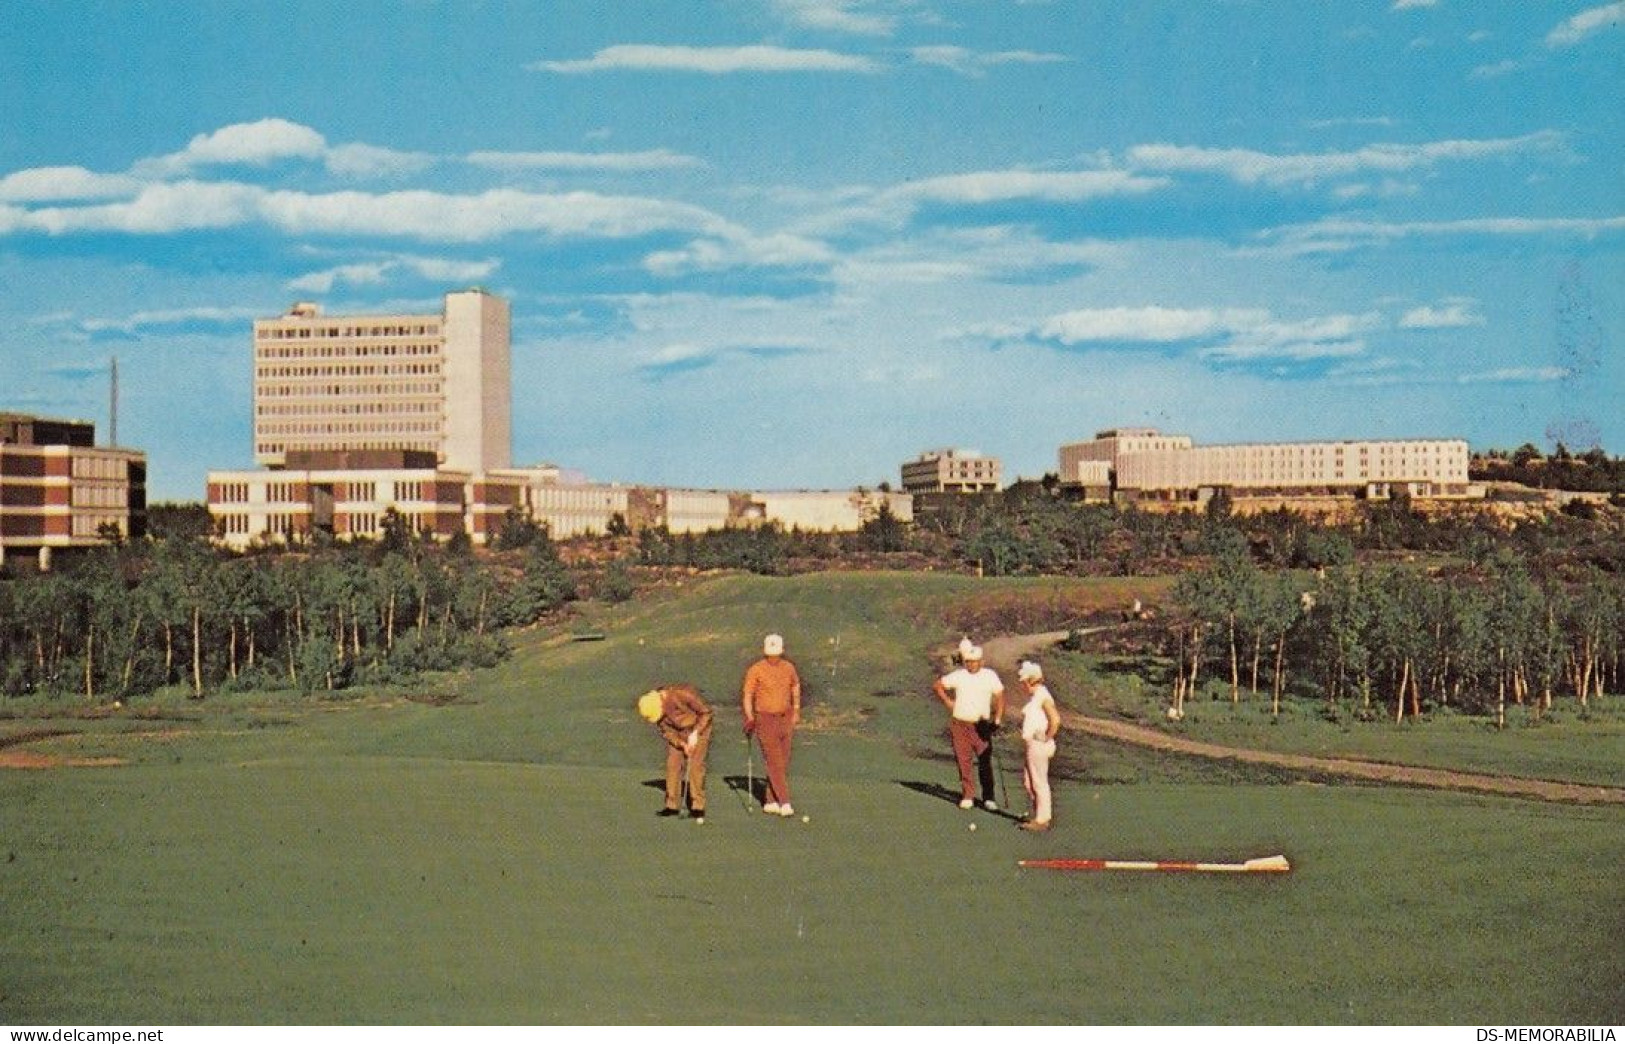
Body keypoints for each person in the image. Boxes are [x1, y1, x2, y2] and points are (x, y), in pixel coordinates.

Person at [932, 643, 1005, 810]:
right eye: (969, 661)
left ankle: (989, 797)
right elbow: (937, 685)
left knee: (984, 760)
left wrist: (998, 719)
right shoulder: (959, 676)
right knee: (963, 761)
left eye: (975, 661)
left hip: (981, 725)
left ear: (982, 661)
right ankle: (968, 795)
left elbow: (1000, 696)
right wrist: (948, 701)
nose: (971, 664)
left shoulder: (989, 676)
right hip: (960, 724)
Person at [741, 633, 802, 817]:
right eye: (771, 653)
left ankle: (770, 800)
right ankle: (784, 802)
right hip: (764, 719)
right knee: (774, 761)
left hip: (785, 717)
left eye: (776, 653)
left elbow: (795, 686)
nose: (773, 656)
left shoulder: (789, 667)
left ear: (782, 651)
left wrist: (797, 709)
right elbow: (748, 695)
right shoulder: (756, 670)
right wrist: (750, 717)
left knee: (781, 761)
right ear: (766, 652)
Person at [637, 684, 713, 823]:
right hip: (678, 733)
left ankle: (698, 806)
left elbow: (706, 713)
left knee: (695, 766)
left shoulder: (682, 694)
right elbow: (667, 732)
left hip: (699, 728)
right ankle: (671, 805)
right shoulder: (658, 713)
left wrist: (695, 733)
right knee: (673, 765)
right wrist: (681, 744)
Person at [1016, 660, 1061, 832]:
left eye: (1024, 682)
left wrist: (1046, 736)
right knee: (1029, 782)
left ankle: (1042, 819)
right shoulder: (1036, 696)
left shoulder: (1042, 696)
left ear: (1031, 680)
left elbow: (1055, 719)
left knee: (1039, 781)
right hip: (1032, 744)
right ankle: (1039, 815)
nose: (1023, 685)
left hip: (1038, 745)